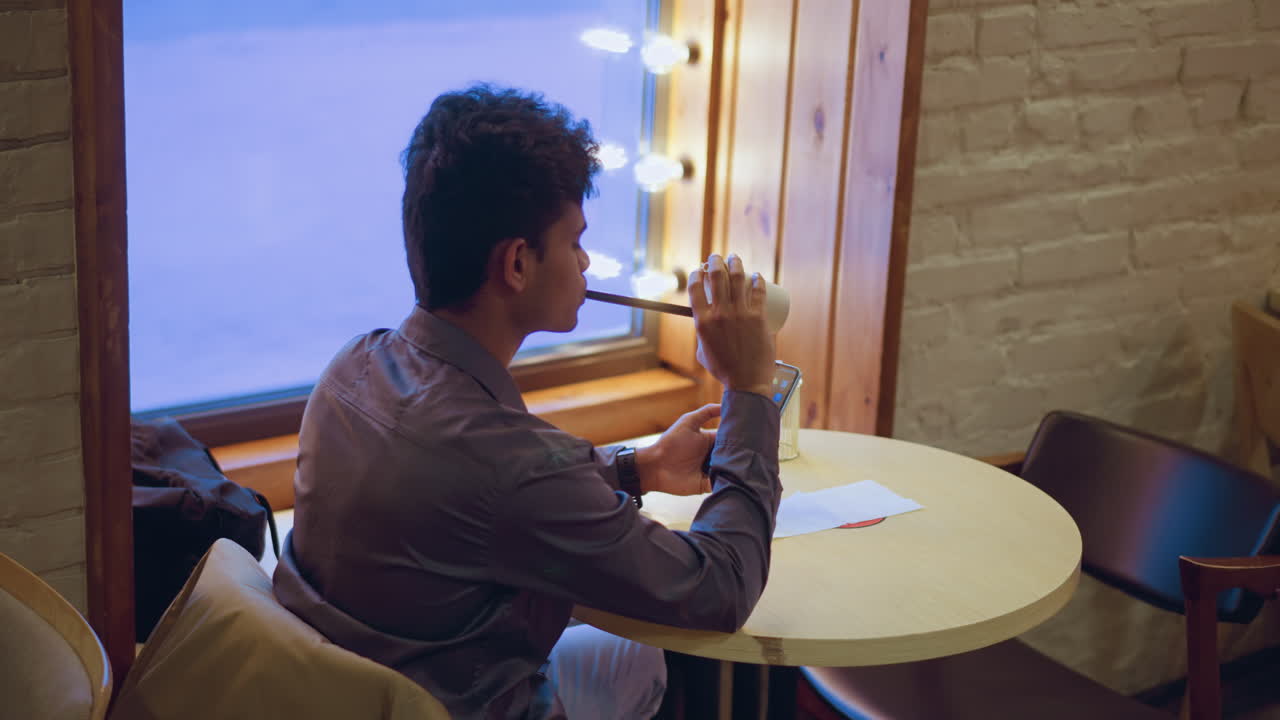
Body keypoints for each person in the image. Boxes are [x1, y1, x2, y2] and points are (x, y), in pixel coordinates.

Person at [273, 84, 782, 720]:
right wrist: (748, 387)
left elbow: (475, 495)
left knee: (636, 658)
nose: (585, 260)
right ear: (517, 263)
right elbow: (721, 589)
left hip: (345, 689)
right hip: (461, 701)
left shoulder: (351, 368)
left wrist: (639, 467)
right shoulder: (510, 465)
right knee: (656, 658)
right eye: (574, 242)